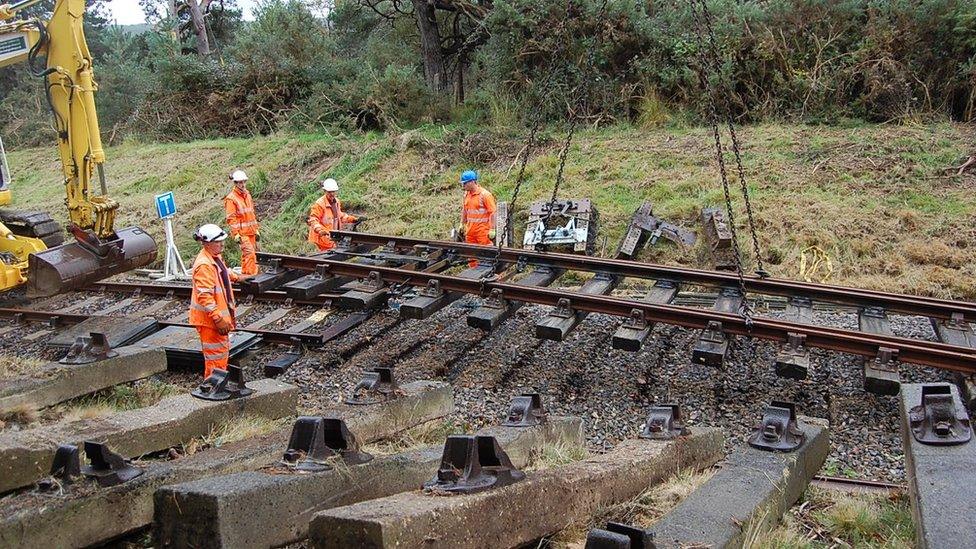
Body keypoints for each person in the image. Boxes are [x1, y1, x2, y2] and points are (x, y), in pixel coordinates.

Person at [189, 224, 239, 379]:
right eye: (218, 242)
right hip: (211, 322)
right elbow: (205, 296)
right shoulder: (204, 265)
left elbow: (222, 272)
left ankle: (217, 386)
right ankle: (213, 389)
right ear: (207, 243)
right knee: (216, 359)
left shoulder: (213, 258)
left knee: (220, 356)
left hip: (215, 320)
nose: (222, 244)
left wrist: (239, 277)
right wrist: (218, 319)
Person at [307, 178, 365, 251]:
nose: (332, 194)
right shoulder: (319, 204)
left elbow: (340, 216)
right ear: (324, 191)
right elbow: (313, 219)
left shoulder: (336, 202)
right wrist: (320, 230)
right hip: (322, 237)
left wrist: (353, 219)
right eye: (329, 192)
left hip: (331, 236)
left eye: (333, 192)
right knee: (327, 256)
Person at [224, 169, 260, 276]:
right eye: (240, 182)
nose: (242, 184)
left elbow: (251, 214)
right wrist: (236, 234)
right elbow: (231, 218)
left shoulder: (247, 195)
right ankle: (251, 277)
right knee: (249, 254)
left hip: (251, 232)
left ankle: (247, 275)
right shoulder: (231, 199)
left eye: (244, 182)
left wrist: (256, 229)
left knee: (249, 255)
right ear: (235, 183)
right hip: (242, 233)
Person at [457, 170, 496, 267]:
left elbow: (493, 212)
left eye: (465, 183)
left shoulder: (485, 195)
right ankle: (473, 276)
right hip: (470, 232)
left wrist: (492, 229)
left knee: (487, 256)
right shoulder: (466, 195)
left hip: (483, 232)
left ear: (472, 182)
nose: (463, 186)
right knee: (472, 257)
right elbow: (465, 210)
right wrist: (462, 223)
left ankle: (490, 276)